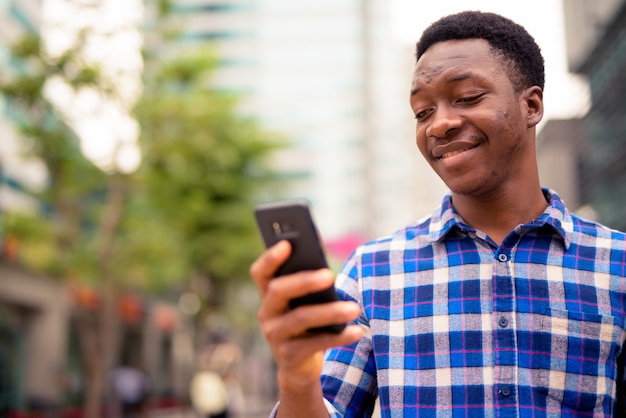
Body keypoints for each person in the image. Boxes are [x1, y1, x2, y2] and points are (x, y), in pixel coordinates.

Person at [249, 10, 626, 418]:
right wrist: (296, 376)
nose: (439, 124)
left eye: (466, 97)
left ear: (531, 105)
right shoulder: (372, 272)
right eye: (422, 112)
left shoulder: (617, 265)